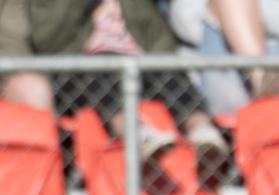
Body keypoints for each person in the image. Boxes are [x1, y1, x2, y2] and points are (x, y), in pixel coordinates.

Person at [27, 0, 229, 169]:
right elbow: (46, 38)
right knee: (101, 74)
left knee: (170, 75)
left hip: (137, 58)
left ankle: (202, 131)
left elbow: (155, 28)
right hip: (79, 68)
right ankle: (136, 133)